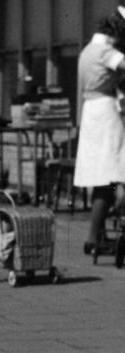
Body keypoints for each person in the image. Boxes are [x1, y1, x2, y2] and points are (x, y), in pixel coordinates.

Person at [74, 10, 125, 254]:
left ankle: (99, 235)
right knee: (111, 176)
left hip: (91, 112)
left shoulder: (86, 51)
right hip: (105, 112)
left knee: (99, 177)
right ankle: (94, 238)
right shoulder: (106, 51)